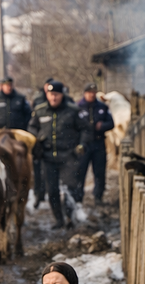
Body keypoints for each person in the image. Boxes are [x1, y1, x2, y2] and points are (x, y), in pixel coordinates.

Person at [27, 81, 92, 229]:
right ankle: (59, 219)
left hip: (68, 156)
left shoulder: (72, 111)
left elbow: (85, 129)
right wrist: (36, 139)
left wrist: (82, 144)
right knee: (52, 191)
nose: (54, 98)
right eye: (51, 95)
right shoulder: (40, 110)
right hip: (48, 157)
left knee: (70, 188)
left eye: (56, 95)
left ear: (62, 95)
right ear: (47, 95)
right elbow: (32, 127)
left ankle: (70, 217)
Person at [76, 83, 114, 205]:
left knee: (99, 171)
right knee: (80, 171)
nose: (91, 95)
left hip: (98, 142)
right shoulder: (78, 107)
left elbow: (111, 123)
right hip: (83, 144)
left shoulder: (102, 107)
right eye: (89, 92)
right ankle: (78, 197)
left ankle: (98, 196)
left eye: (93, 92)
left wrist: (102, 126)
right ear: (84, 93)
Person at [30, 78, 54, 208]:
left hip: (55, 143)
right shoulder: (38, 100)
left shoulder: (63, 100)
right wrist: (36, 137)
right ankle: (38, 194)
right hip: (40, 144)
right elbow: (32, 122)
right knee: (38, 170)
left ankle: (51, 195)